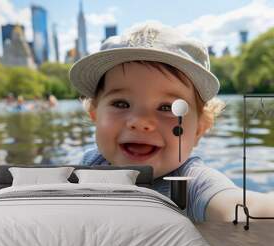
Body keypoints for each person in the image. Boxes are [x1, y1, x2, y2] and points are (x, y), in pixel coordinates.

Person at [69, 22, 274, 222]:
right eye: (121, 103)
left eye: (168, 108)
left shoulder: (191, 185)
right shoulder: (90, 164)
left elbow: (237, 207)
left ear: (199, 129)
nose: (140, 122)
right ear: (94, 114)